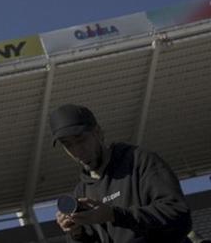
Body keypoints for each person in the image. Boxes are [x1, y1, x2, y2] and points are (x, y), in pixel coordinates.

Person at [51, 103, 191, 242]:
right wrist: (77, 234)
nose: (77, 150)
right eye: (67, 144)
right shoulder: (81, 193)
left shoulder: (139, 161)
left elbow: (178, 215)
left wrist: (114, 215)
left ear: (98, 132)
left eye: (80, 139)